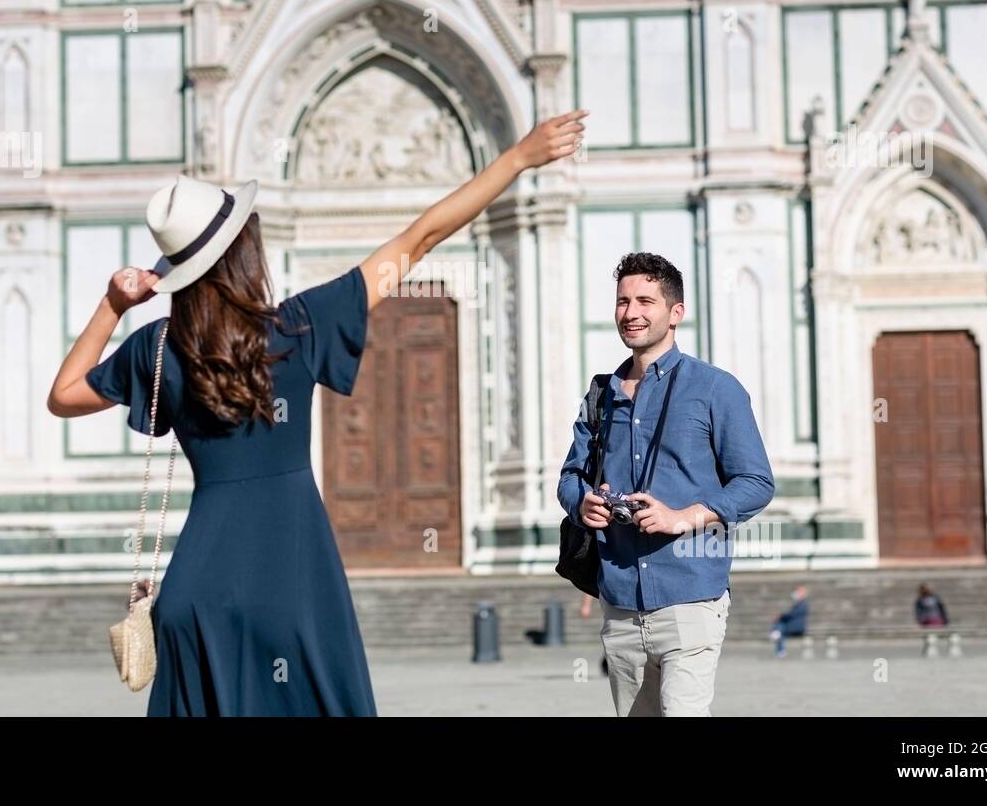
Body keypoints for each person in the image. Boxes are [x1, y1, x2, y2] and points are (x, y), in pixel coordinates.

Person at [48, 109, 587, 716]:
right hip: (292, 583)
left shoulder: (157, 348)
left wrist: (115, 304)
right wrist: (517, 158)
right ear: (243, 251)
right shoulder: (297, 328)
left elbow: (64, 394)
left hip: (194, 594)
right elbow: (420, 239)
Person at [557, 252, 775, 716]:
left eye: (645, 301)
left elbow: (756, 481)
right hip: (619, 601)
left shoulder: (717, 389)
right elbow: (571, 476)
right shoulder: (601, 394)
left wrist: (684, 517)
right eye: (622, 301)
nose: (631, 313)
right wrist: (582, 505)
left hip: (691, 597)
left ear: (675, 313)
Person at [770, 585, 809, 658]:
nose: (796, 593)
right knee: (779, 628)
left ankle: (779, 646)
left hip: (796, 627)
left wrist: (781, 616)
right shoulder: (798, 604)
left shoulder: (803, 604)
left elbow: (792, 614)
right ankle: (776, 634)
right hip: (791, 624)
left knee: (779, 628)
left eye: (799, 592)